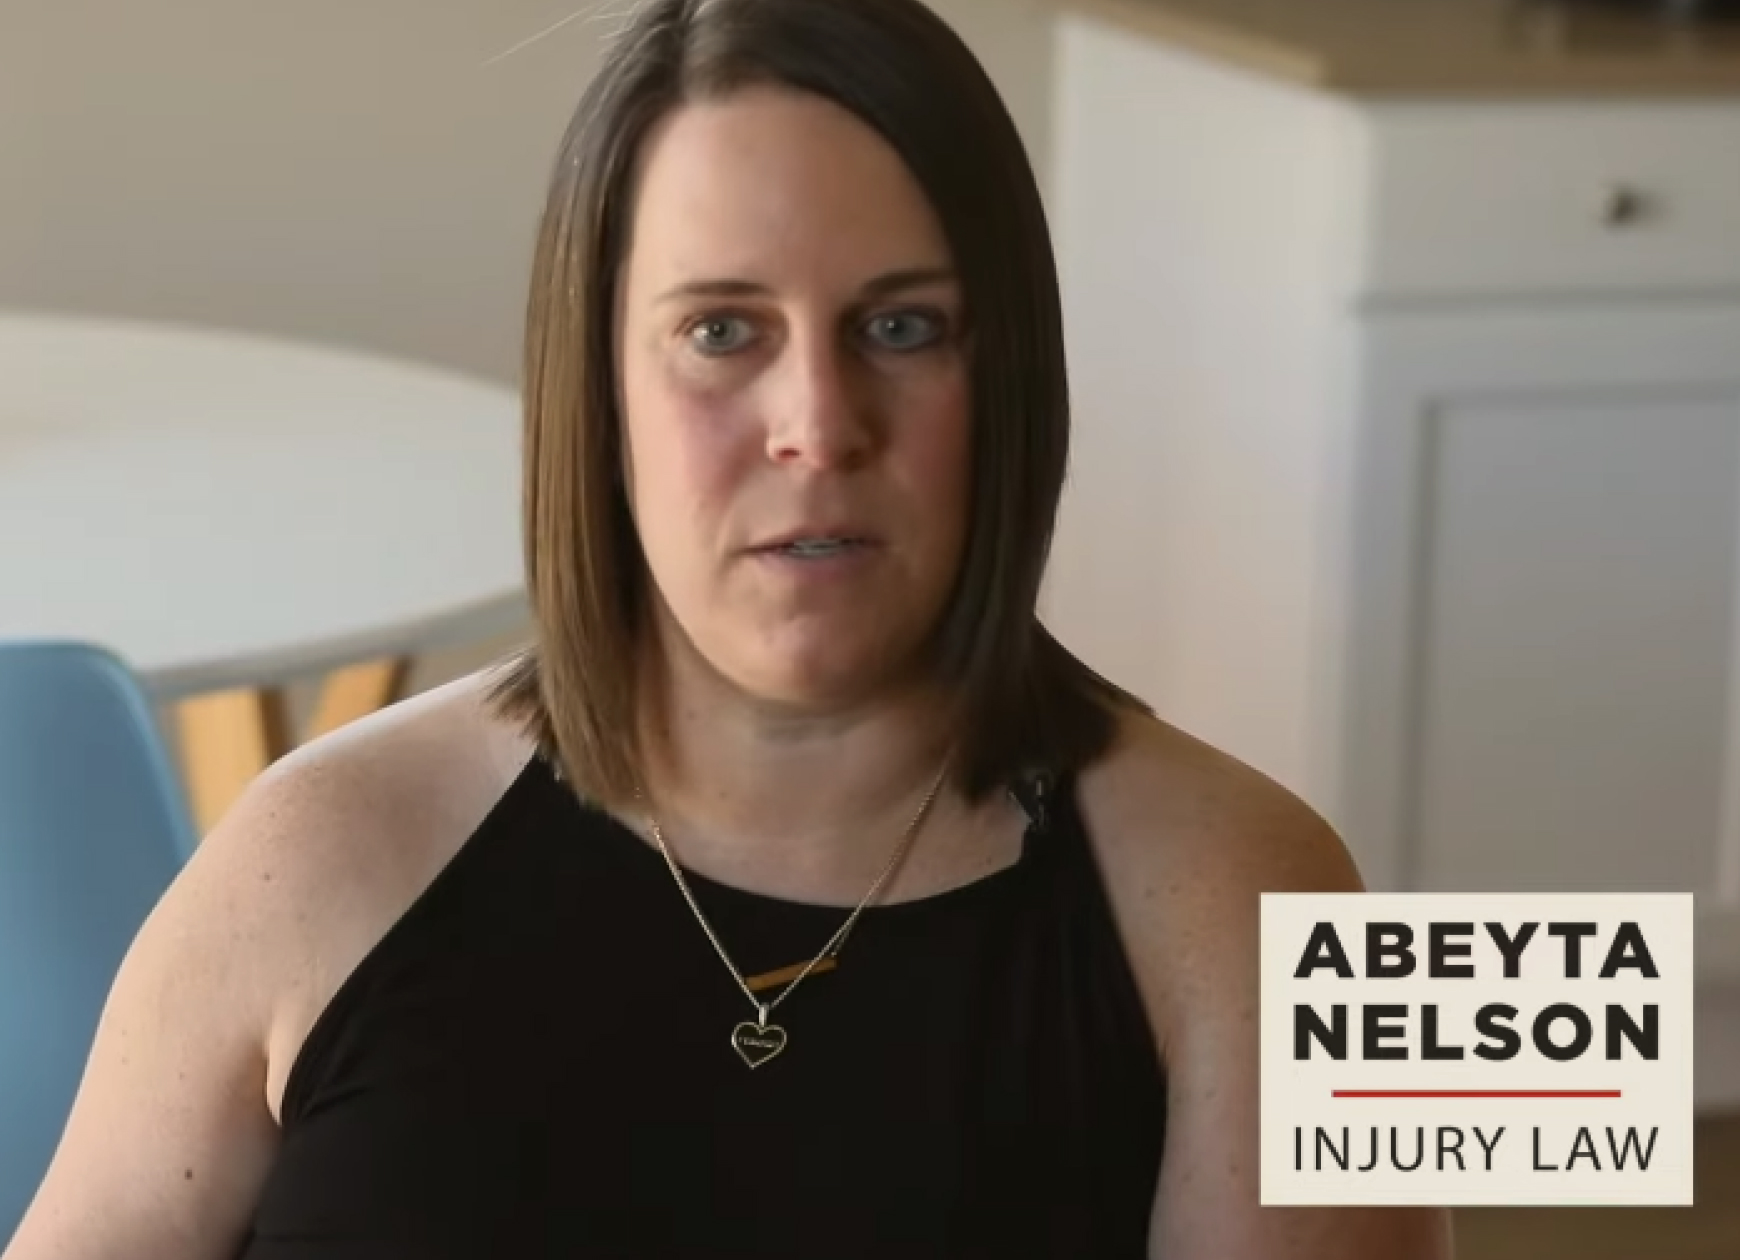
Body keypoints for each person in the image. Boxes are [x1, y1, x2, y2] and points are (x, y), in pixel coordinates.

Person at [5, 0, 1453, 1256]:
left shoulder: (1282, 895)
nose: (818, 426)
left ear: (1008, 375)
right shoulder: (303, 850)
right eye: (720, 330)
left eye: (903, 327)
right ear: (600, 389)